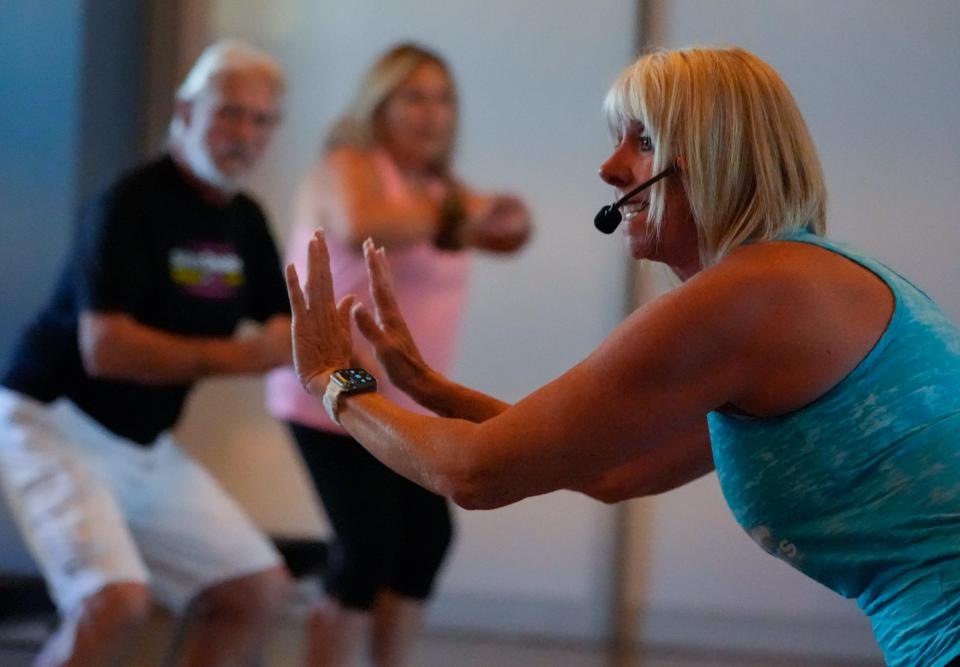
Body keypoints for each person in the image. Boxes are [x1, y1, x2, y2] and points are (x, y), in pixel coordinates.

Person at [286, 46, 960, 667]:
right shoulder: (795, 281)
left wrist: (333, 378)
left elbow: (475, 475)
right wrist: (435, 390)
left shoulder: (749, 295)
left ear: (710, 154)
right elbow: (617, 469)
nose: (610, 169)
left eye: (642, 141)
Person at [0, 40, 294, 666]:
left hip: (143, 446)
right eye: (228, 113)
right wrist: (241, 356)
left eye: (261, 119)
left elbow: (293, 335)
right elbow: (107, 349)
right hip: (51, 423)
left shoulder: (244, 220)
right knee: (115, 603)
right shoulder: (129, 201)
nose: (243, 133)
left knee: (257, 592)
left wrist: (365, 375)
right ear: (186, 113)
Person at [265, 42, 531, 667]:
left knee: (425, 542)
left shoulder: (438, 188)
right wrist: (466, 211)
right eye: (414, 97)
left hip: (404, 399)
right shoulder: (350, 163)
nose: (431, 113)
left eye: (442, 99)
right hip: (333, 387)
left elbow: (505, 234)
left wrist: (504, 219)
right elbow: (361, 221)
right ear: (378, 103)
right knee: (366, 547)